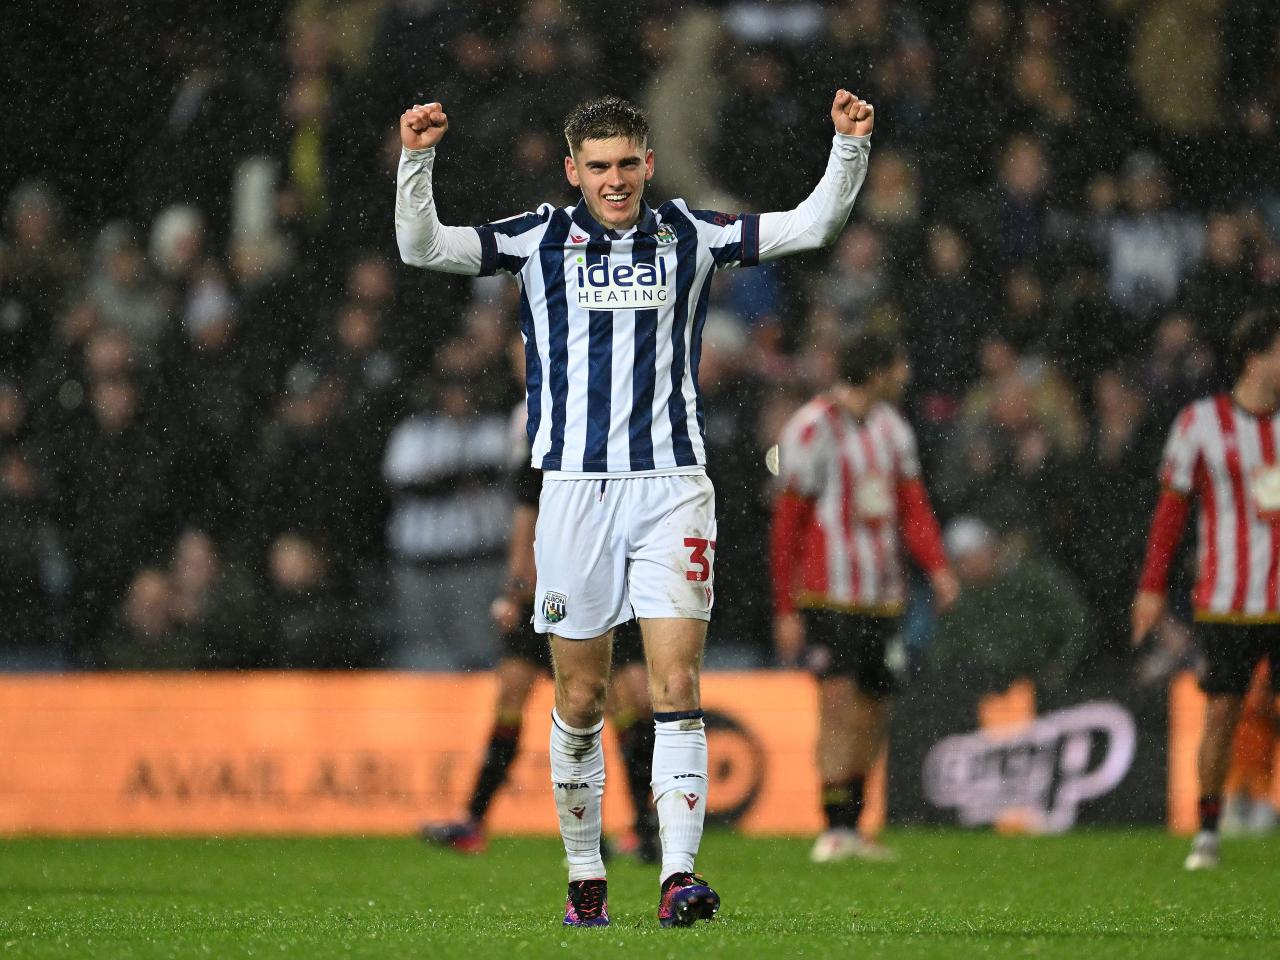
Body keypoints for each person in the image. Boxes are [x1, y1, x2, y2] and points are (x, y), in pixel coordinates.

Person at [396, 89, 875, 927]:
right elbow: (422, 246)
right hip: (572, 493)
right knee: (579, 699)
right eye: (599, 167)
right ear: (572, 171)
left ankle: (678, 876)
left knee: (675, 682)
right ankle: (586, 874)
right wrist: (418, 160)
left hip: (671, 489)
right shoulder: (536, 237)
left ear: (648, 164)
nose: (615, 181)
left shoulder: (688, 233)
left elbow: (811, 226)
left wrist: (847, 149)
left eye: (627, 165)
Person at [423, 419, 660, 862]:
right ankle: (475, 821)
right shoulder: (544, 424)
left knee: (624, 701)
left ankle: (642, 832)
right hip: (550, 584)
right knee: (523, 692)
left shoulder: (612, 418)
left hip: (606, 580)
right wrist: (517, 585)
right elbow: (527, 507)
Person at [770, 333, 958, 863]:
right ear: (877, 369)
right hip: (828, 593)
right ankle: (831, 825)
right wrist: (785, 606)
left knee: (875, 708)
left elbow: (912, 507)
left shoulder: (893, 429)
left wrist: (938, 569)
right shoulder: (811, 427)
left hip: (884, 593)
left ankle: (854, 823)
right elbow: (787, 526)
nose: (904, 373)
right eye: (898, 363)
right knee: (836, 705)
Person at [1133, 307, 1280, 871]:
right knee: (1221, 711)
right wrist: (1151, 587)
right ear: (1255, 355)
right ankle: (1210, 832)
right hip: (1226, 599)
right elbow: (1170, 514)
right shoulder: (1200, 423)